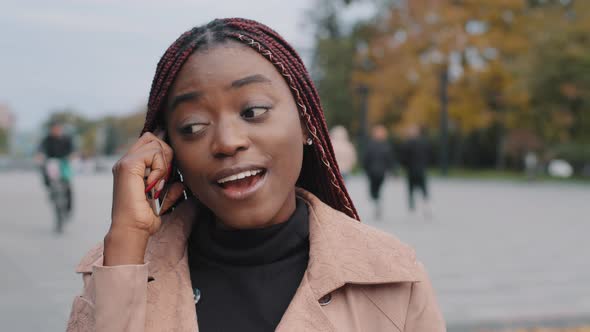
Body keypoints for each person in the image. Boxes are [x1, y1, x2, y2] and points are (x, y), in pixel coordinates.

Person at [67, 18, 445, 332]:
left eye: (253, 111)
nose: (228, 142)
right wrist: (126, 242)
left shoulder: (393, 280)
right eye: (194, 126)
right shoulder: (120, 270)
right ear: (167, 150)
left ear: (306, 123)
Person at [37, 121, 74, 216]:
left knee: (68, 186)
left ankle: (68, 209)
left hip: (64, 163)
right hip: (51, 164)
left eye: (58, 129)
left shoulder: (66, 139)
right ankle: (50, 189)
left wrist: (71, 157)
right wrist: (40, 156)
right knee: (44, 171)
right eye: (54, 129)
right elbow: (41, 150)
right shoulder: (47, 139)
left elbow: (72, 151)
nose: (56, 131)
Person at [362, 124, 395, 219]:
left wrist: (366, 169)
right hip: (380, 171)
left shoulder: (371, 145)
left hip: (373, 171)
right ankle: (377, 202)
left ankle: (376, 202)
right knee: (377, 189)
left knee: (373, 189)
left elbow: (366, 159)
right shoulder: (385, 146)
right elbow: (390, 160)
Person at [401, 125, 430, 216]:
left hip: (411, 170)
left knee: (411, 189)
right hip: (421, 169)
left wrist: (405, 165)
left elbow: (404, 158)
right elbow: (429, 155)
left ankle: (412, 207)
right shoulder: (424, 142)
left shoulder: (407, 143)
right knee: (423, 189)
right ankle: (426, 205)